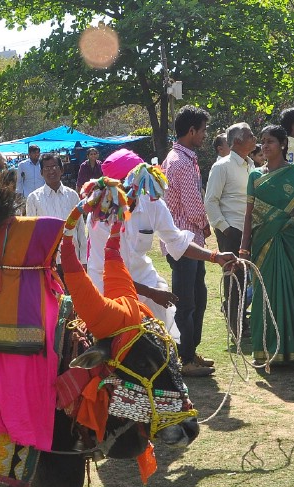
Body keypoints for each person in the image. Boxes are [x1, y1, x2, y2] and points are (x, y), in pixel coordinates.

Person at [86, 150, 236, 345]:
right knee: (116, 349)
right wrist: (152, 293)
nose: (137, 186)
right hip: (109, 289)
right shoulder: (100, 216)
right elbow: (108, 272)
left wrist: (215, 256)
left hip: (145, 282)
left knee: (156, 346)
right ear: (113, 184)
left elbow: (176, 241)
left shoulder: (152, 203)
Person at [240, 125, 294, 366]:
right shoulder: (255, 176)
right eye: (262, 142)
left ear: (283, 144)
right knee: (265, 297)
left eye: (270, 142)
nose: (264, 146)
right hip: (263, 244)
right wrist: (243, 249)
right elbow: (248, 215)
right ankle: (266, 350)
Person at [162, 104, 214, 377]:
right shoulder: (180, 162)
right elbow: (193, 208)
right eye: (203, 130)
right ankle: (185, 358)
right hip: (184, 244)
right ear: (191, 131)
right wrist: (206, 227)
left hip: (187, 243)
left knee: (197, 298)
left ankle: (190, 351)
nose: (205, 135)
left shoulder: (180, 158)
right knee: (187, 302)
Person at [205, 122, 256, 339]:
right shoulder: (222, 166)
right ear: (237, 141)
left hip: (249, 228)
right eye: (250, 135)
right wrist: (226, 229)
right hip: (232, 229)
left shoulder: (250, 165)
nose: (255, 139)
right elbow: (210, 202)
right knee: (234, 278)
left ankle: (242, 320)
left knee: (249, 277)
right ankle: (236, 325)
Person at [27, 152, 84, 264]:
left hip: (72, 259)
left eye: (54, 167)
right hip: (47, 261)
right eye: (47, 168)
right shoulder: (33, 198)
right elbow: (31, 233)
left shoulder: (72, 195)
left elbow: (81, 228)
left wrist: (83, 260)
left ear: (61, 170)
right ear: (41, 173)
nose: (51, 171)